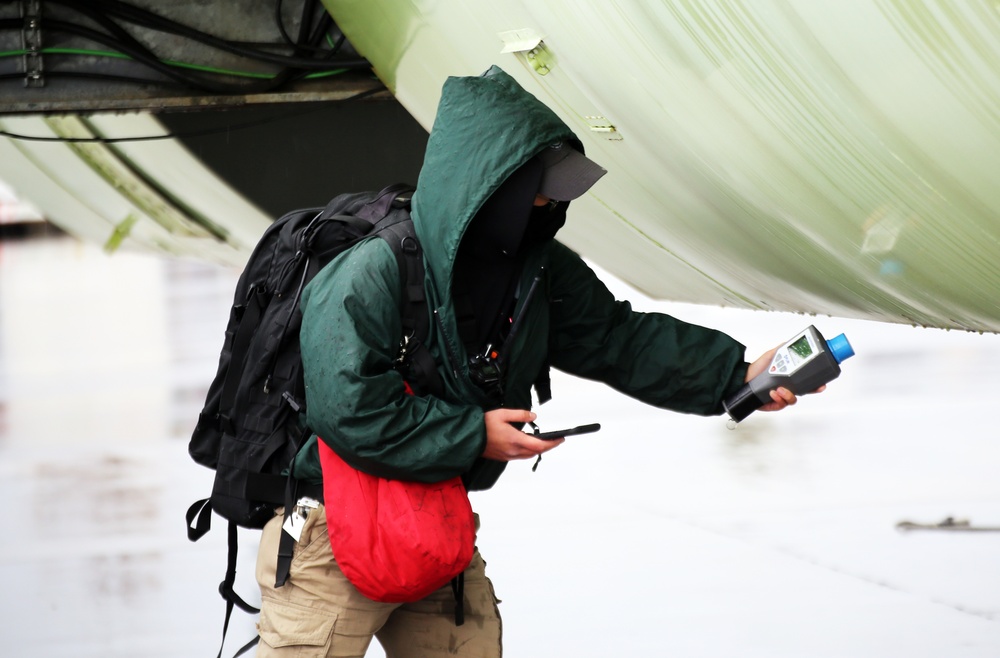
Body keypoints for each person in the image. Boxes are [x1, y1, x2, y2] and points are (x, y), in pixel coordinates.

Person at [253, 65, 815, 657]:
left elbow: (615, 338)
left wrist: (738, 376)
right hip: (334, 525)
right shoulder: (372, 270)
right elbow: (348, 412)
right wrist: (474, 435)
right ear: (489, 185)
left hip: (433, 516)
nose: (549, 202)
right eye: (538, 187)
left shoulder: (538, 264)